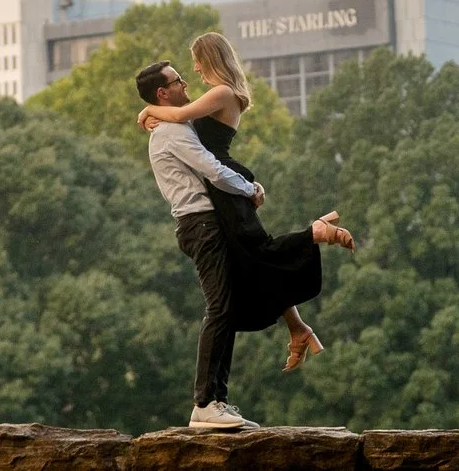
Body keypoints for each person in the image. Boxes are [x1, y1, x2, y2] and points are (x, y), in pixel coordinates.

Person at [136, 35, 354, 430]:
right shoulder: (174, 128)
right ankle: (207, 402)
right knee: (234, 291)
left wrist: (150, 110)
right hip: (208, 212)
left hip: (218, 202)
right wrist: (248, 187)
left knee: (249, 272)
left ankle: (215, 399)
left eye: (193, 66)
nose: (189, 78)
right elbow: (208, 165)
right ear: (164, 92)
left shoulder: (196, 108)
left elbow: (194, 136)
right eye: (179, 79)